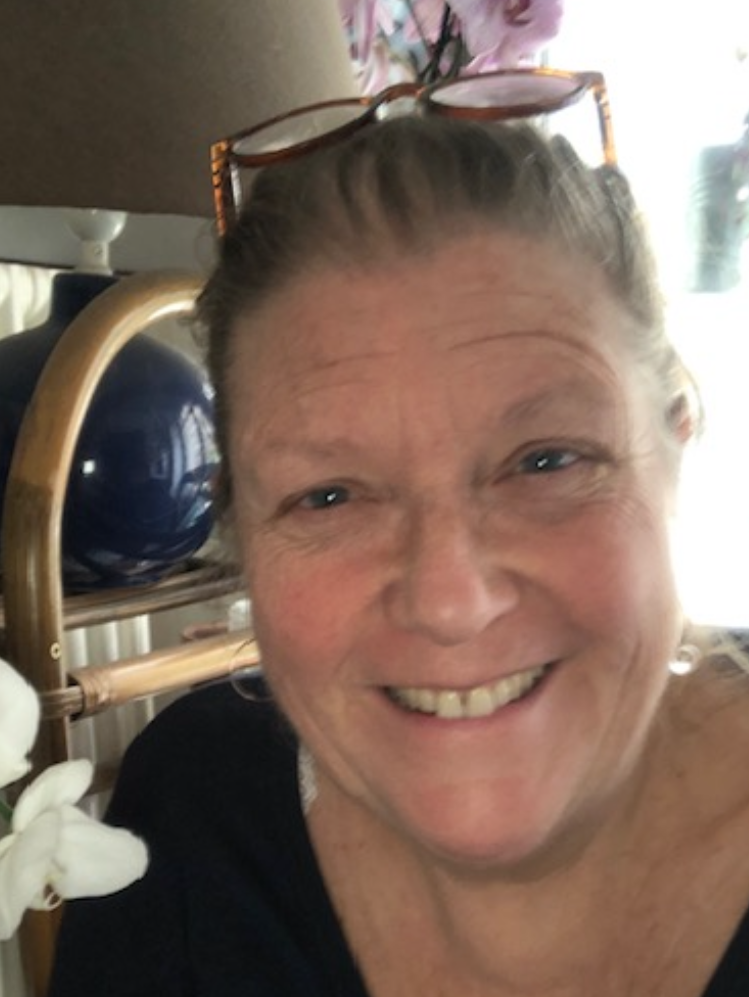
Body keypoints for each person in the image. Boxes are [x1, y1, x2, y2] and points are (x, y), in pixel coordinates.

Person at [49, 77, 749, 997]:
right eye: (329, 495)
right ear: (240, 526)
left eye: (545, 461)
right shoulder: (195, 813)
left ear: (675, 447)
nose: (450, 601)